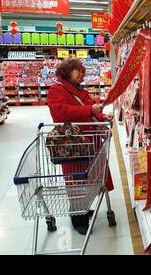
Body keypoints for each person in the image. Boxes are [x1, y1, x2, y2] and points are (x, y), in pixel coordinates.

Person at [47, 59, 114, 235]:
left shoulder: (80, 91)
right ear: (66, 72)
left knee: (92, 178)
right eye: (77, 70)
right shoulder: (57, 90)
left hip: (90, 142)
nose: (81, 74)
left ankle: (82, 208)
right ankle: (78, 218)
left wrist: (101, 117)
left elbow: (89, 112)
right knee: (76, 181)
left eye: (82, 70)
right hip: (73, 144)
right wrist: (91, 110)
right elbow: (61, 112)